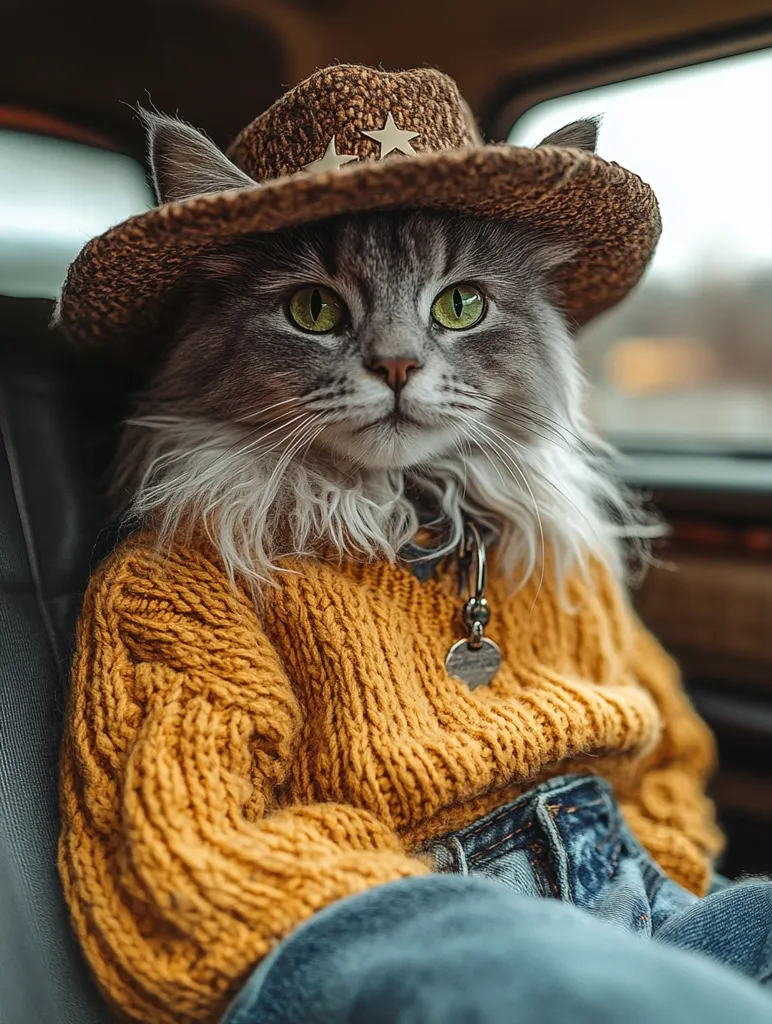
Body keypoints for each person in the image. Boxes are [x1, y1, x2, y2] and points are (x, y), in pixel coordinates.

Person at [54, 64, 772, 1024]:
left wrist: (661, 897)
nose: (397, 359)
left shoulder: (557, 564)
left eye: (458, 304)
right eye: (317, 308)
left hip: (635, 902)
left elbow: (664, 751)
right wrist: (470, 935)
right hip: (388, 928)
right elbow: (179, 856)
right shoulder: (181, 589)